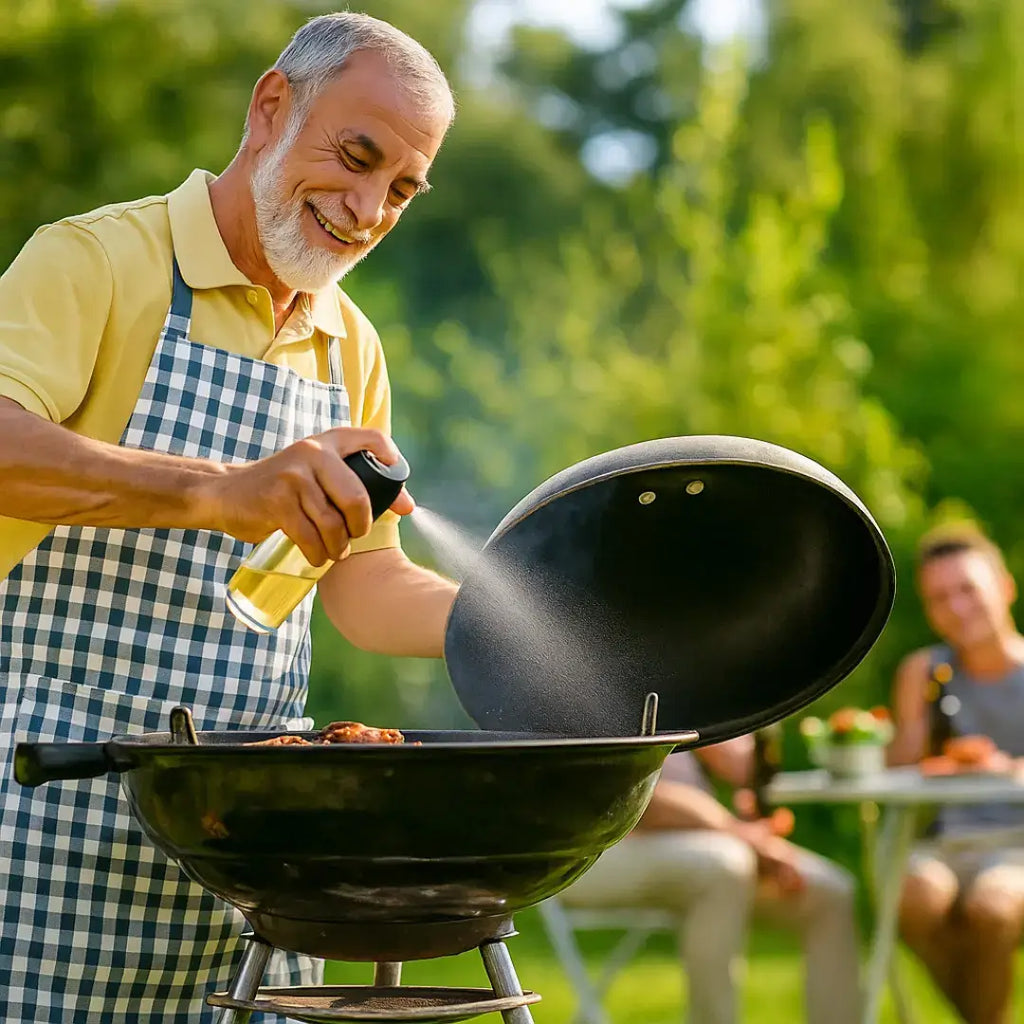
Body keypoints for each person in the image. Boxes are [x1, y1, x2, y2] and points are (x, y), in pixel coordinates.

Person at [0, 13, 460, 1023]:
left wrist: (510, 617)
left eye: (400, 188)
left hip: (249, 848)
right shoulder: (96, 261)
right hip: (51, 816)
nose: (367, 207)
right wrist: (224, 489)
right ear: (268, 108)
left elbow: (363, 584)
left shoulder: (351, 346)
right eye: (356, 156)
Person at [559, 738, 861, 1024]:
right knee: (724, 865)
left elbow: (744, 766)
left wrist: (750, 745)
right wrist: (736, 833)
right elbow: (635, 797)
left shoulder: (676, 689)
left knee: (830, 892)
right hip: (597, 854)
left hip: (697, 843)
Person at [888, 525, 1024, 1024]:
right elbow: (903, 768)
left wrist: (1006, 767)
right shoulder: (925, 671)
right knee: (912, 900)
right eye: (940, 598)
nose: (958, 608)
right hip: (946, 840)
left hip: (1017, 843)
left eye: (968, 589)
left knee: (993, 908)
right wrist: (917, 729)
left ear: (1004, 587)